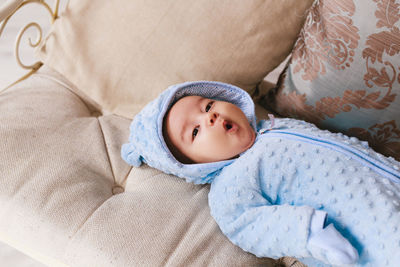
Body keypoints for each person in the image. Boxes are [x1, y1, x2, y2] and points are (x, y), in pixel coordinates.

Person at [121, 81, 400, 266]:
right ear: (192, 164)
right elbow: (251, 227)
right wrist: (312, 232)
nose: (210, 117)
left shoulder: (278, 125)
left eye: (208, 106)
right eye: (195, 132)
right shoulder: (231, 186)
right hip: (369, 232)